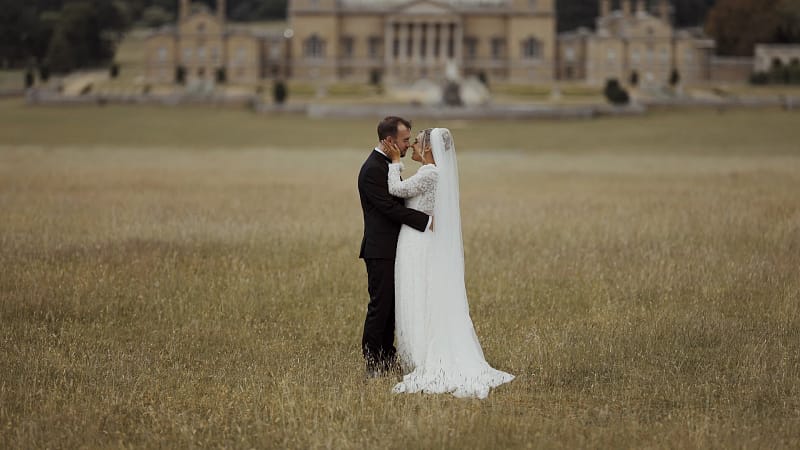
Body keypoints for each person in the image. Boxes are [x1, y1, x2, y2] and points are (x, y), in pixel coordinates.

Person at [382, 128, 514, 399]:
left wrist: (395, 162)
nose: (413, 147)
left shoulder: (429, 173)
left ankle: (423, 354)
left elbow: (395, 189)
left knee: (418, 293)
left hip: (417, 241)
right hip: (418, 237)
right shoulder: (432, 174)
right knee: (420, 293)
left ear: (428, 149)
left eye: (416, 143)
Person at [357, 116, 432, 378]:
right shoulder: (372, 169)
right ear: (389, 140)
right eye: (404, 140)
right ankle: (372, 363)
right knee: (380, 307)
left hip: (395, 247)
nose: (408, 144)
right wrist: (425, 220)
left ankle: (387, 359)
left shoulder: (388, 164)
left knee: (391, 308)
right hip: (379, 250)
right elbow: (388, 208)